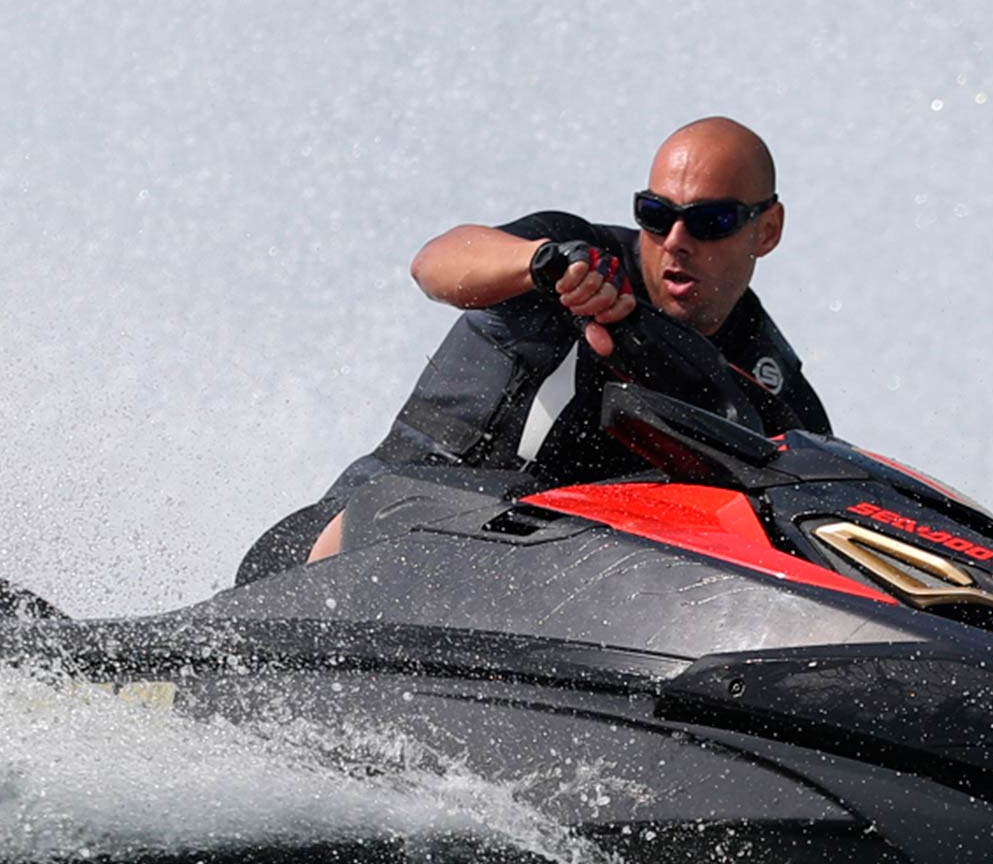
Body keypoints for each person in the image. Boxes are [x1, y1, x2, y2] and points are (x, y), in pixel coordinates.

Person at [236, 116, 829, 582]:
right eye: (656, 215)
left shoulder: (774, 391)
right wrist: (541, 264)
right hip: (353, 542)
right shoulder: (575, 256)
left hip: (542, 586)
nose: (675, 242)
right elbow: (435, 264)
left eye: (711, 221)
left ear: (767, 230)